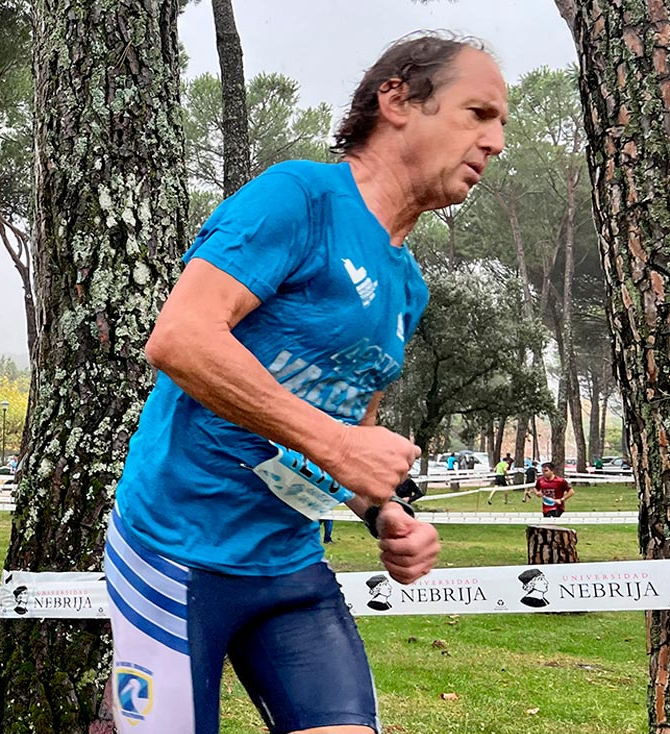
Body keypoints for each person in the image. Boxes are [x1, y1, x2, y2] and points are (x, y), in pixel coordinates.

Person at [105, 32, 505, 734]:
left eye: (500, 125)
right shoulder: (298, 197)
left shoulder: (407, 287)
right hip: (175, 554)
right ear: (397, 100)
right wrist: (340, 446)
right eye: (478, 113)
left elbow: (347, 436)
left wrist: (382, 513)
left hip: (290, 569)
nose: (495, 142)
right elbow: (180, 338)